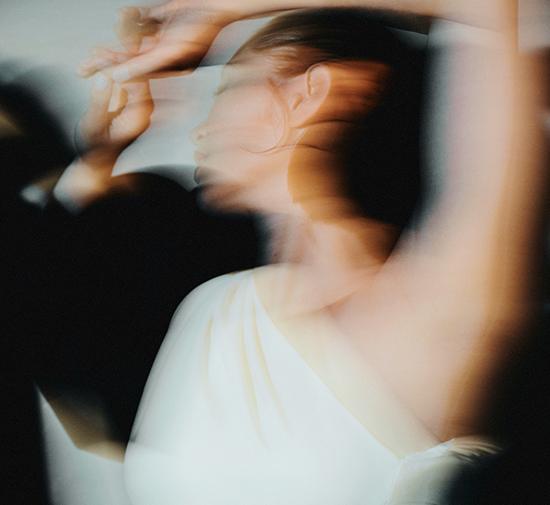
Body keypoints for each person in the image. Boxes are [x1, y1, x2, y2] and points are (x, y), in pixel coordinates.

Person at [41, 1, 546, 504]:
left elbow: (484, 8)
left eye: (232, 86)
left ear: (313, 94)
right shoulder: (216, 302)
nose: (200, 128)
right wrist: (99, 159)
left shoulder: (426, 314)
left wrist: (228, 8)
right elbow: (70, 357)